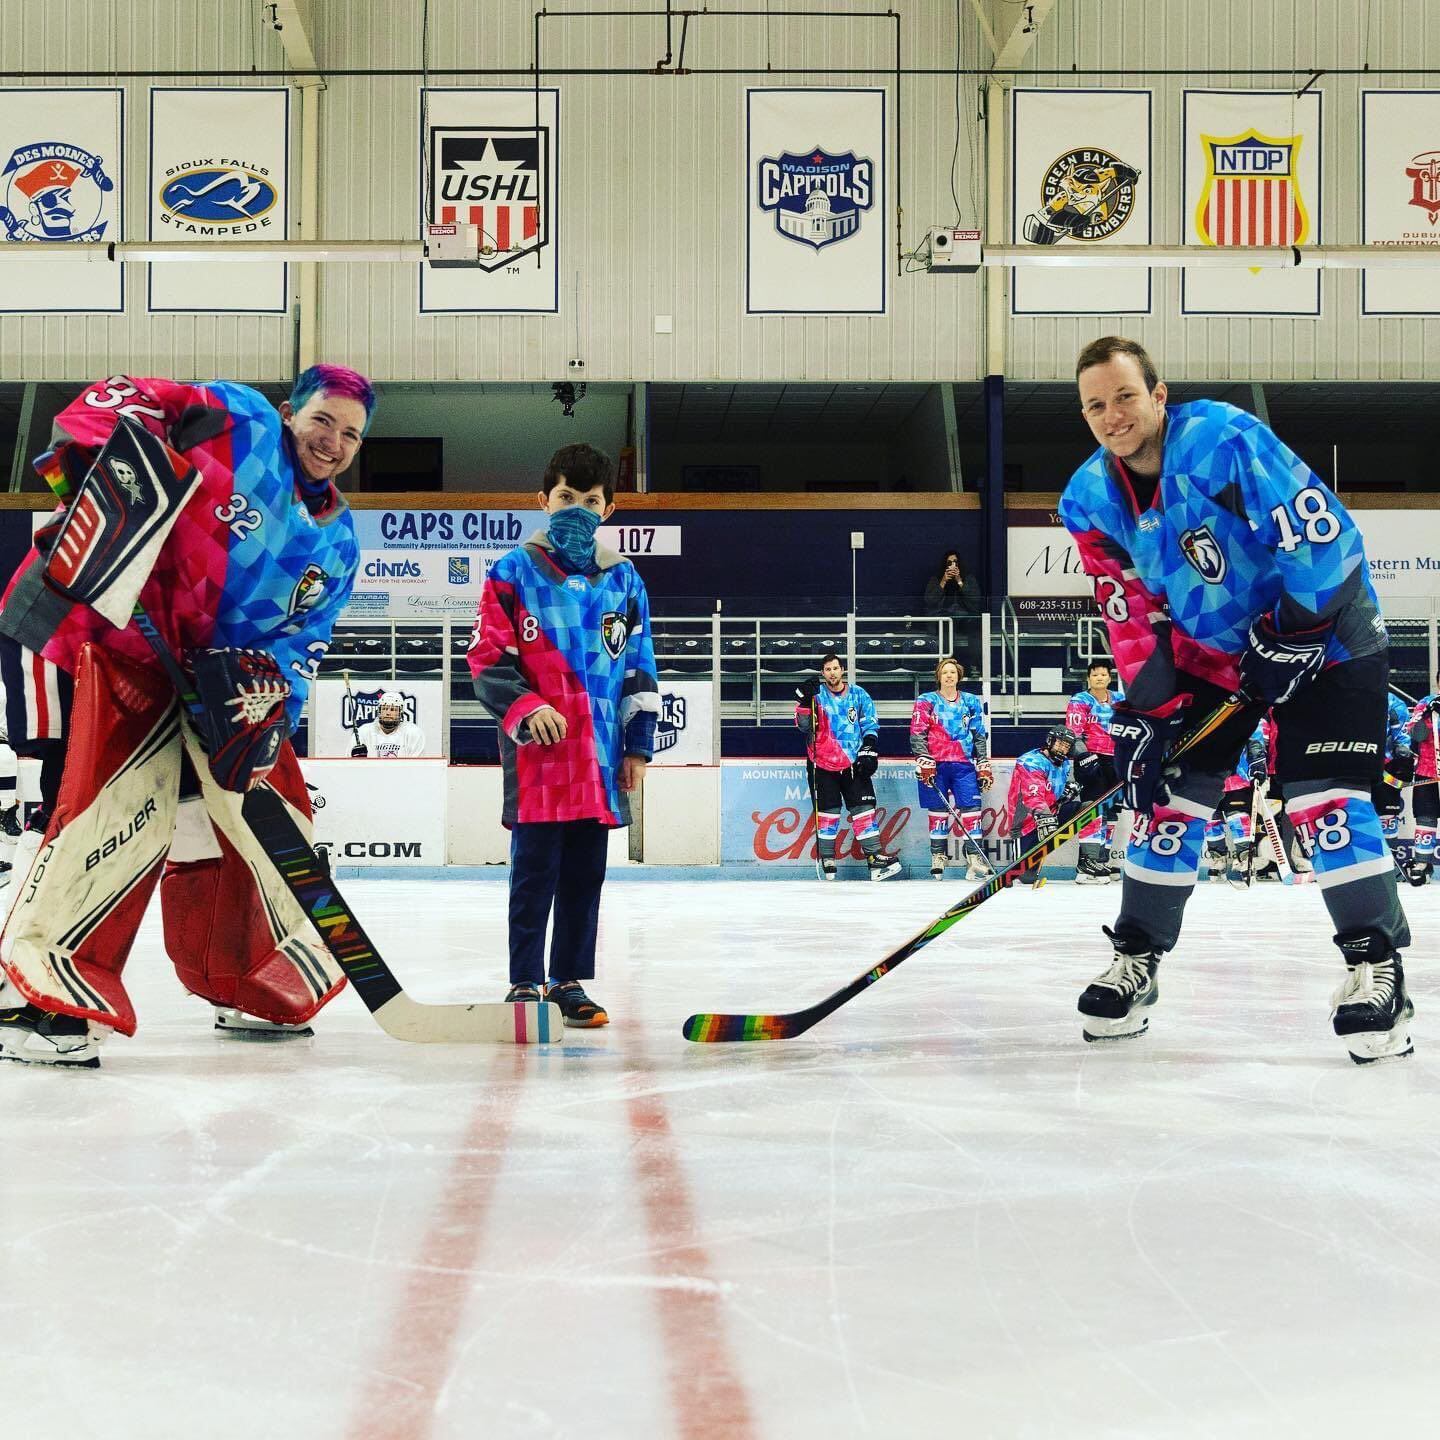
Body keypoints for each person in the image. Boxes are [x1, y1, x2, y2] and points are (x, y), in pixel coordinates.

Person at [0, 365, 375, 1066]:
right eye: (323, 420)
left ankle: (245, 975)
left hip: (191, 677)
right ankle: (28, 993)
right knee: (74, 811)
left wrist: (267, 720)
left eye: (350, 434)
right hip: (80, 635)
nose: (333, 441)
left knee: (236, 818)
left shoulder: (337, 542)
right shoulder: (241, 417)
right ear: (292, 411)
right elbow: (125, 397)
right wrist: (115, 451)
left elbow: (301, 642)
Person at [1059, 335, 1411, 1064]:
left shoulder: (1221, 438)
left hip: (1328, 631)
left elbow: (1321, 535)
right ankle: (1137, 961)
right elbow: (1128, 613)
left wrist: (1295, 631)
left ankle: (1376, 970)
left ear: (1158, 395)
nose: (1112, 414)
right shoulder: (1088, 499)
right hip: (1214, 656)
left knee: (1325, 800)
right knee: (1169, 795)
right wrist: (1151, 718)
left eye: (1125, 395)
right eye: (1096, 404)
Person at [468, 442, 659, 1027]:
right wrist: (524, 706)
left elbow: (641, 668)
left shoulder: (624, 579)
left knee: (585, 875)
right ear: (543, 501)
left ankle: (568, 981)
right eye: (566, 496)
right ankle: (525, 979)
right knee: (533, 872)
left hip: (599, 759)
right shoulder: (511, 571)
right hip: (538, 761)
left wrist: (638, 746)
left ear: (609, 509)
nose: (578, 506)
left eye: (591, 499)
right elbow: (485, 659)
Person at [795, 653, 900, 881]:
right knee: (828, 814)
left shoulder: (859, 694)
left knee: (864, 811)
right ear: (823, 673)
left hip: (853, 764)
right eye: (827, 669)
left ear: (842, 669)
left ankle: (874, 860)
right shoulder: (816, 695)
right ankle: (828, 859)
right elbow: (804, 727)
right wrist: (804, 702)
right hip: (821, 763)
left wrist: (869, 749)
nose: (832, 673)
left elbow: (870, 724)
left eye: (835, 668)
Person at [910, 657, 992, 880]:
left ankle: (974, 858)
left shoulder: (971, 701)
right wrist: (923, 759)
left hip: (963, 764)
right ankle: (938, 855)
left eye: (952, 672)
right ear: (939, 676)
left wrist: (983, 762)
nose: (949, 676)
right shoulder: (926, 700)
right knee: (938, 811)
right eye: (944, 672)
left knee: (972, 810)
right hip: (936, 764)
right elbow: (917, 732)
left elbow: (978, 735)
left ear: (958, 676)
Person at [1065, 659, 1125, 883]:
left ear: (1110, 677)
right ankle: (1086, 865)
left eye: (1103, 674)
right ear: (1088, 678)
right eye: (1095, 675)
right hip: (1091, 760)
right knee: (1092, 809)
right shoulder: (1080, 700)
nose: (1099, 678)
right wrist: (1084, 756)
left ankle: (1101, 861)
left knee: (1111, 812)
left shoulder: (1119, 700)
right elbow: (1073, 733)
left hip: (1116, 759)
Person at [1002, 725, 1080, 885]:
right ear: (1050, 742)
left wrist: (1065, 794)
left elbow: (1051, 788)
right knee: (1025, 876)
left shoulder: (1064, 763)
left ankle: (1087, 862)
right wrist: (1046, 816)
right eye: (1059, 744)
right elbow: (1034, 796)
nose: (1062, 749)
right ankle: (1019, 867)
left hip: (1050, 814)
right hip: (1025, 823)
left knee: (1086, 809)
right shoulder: (1030, 762)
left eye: (1066, 746)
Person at [1402, 679, 1440, 885]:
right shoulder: (1425, 703)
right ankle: (1423, 863)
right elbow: (1416, 735)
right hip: (1428, 770)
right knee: (1426, 816)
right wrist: (1427, 715)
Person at [352, 689, 427, 758]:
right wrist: (358, 761)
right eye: (384, 708)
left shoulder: (413, 733)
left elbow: (417, 766)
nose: (388, 713)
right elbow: (348, 763)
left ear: (400, 712)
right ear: (379, 711)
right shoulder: (363, 732)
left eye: (392, 709)